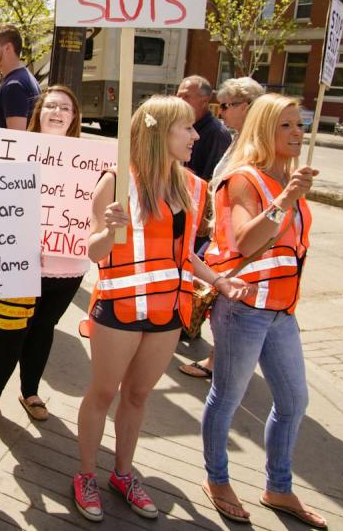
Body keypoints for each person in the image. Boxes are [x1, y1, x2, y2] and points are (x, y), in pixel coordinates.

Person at [72, 96, 251, 522]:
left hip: (169, 312)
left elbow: (184, 254)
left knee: (137, 395)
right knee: (103, 393)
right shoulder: (116, 181)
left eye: (194, 128)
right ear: (157, 133)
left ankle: (123, 472)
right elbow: (93, 250)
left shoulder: (191, 186)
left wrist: (220, 280)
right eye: (186, 128)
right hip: (118, 308)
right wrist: (109, 229)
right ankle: (85, 475)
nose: (196, 135)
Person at [199, 93, 325, 528]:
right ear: (264, 129)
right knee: (228, 398)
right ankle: (217, 479)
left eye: (300, 124)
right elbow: (245, 242)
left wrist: (290, 194)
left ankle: (279, 486)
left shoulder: (289, 177)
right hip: (244, 308)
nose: (297, 133)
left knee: (294, 401)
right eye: (286, 125)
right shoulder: (243, 180)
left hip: (282, 311)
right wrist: (285, 200)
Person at [0, 85, 89, 426]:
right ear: (39, 113)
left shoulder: (89, 160)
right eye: (50, 105)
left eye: (65, 107)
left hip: (67, 265)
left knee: (43, 328)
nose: (57, 112)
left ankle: (30, 391)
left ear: (74, 117)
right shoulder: (15, 151)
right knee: (7, 329)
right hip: (18, 261)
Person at [179, 76, 265, 381]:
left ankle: (220, 362)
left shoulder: (254, 145)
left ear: (247, 107)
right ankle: (221, 357)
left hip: (237, 237)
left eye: (227, 106)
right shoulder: (240, 138)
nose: (222, 112)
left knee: (225, 300)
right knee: (220, 296)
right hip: (222, 231)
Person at [0, 24, 40, 153]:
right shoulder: (24, 78)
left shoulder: (14, 86)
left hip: (3, 171)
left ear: (8, 47)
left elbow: (15, 144)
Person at [176, 75, 231, 181]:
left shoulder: (217, 134)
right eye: (179, 95)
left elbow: (214, 181)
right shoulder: (177, 127)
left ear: (204, 102)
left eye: (186, 96)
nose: (180, 100)